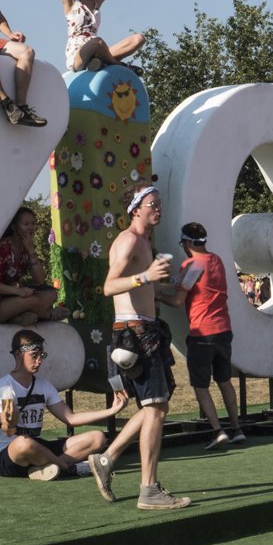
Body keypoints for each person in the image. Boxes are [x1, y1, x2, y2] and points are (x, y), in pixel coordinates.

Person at [87, 185, 191, 510]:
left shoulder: (145, 242)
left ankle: (107, 459)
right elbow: (109, 286)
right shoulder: (129, 240)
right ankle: (148, 490)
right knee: (156, 407)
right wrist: (145, 277)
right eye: (152, 204)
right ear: (136, 209)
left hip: (146, 329)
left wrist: (178, 287)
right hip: (134, 332)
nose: (158, 208)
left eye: (160, 203)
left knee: (154, 406)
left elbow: (153, 292)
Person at [0, 329, 128, 480]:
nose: (39, 361)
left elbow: (71, 418)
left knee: (98, 438)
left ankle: (48, 468)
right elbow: (7, 431)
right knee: (23, 443)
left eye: (41, 356)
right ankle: (66, 467)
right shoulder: (5, 387)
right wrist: (10, 424)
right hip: (11, 456)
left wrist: (112, 410)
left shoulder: (44, 386)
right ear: (18, 354)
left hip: (39, 449)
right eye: (34, 356)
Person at [175, 221, 245, 450]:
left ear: (186, 243)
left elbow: (177, 300)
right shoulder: (216, 260)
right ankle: (236, 428)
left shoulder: (190, 265)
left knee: (200, 386)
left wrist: (154, 293)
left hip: (202, 332)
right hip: (223, 329)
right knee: (225, 381)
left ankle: (217, 431)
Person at [0, 207, 69, 325]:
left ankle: (18, 317)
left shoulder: (26, 248)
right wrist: (17, 291)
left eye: (33, 224)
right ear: (14, 227)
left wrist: (31, 250)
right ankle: (48, 315)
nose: (30, 228)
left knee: (51, 294)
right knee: (32, 300)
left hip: (11, 297)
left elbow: (40, 279)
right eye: (26, 224)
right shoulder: (3, 247)